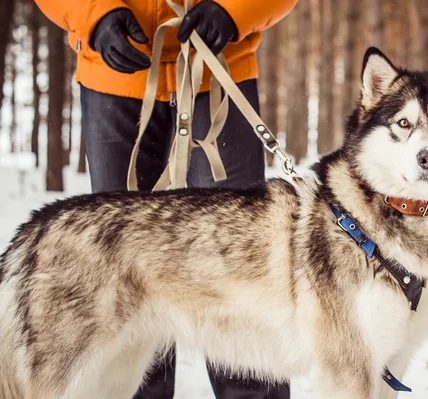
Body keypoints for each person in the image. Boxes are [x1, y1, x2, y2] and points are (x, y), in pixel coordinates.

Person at [33, 0, 298, 398]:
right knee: (123, 278)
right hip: (115, 76)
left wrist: (234, 10)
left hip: (220, 69)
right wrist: (93, 13)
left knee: (245, 278)